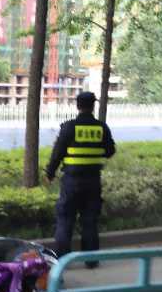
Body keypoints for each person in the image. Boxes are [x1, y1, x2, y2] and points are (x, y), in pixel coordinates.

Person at [44, 91, 116, 267]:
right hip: (93, 182)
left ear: (77, 106)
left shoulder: (69, 127)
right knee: (90, 220)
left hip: (72, 181)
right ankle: (91, 261)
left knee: (65, 219)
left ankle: (61, 262)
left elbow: (57, 153)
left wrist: (50, 173)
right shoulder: (101, 128)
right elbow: (110, 151)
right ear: (93, 106)